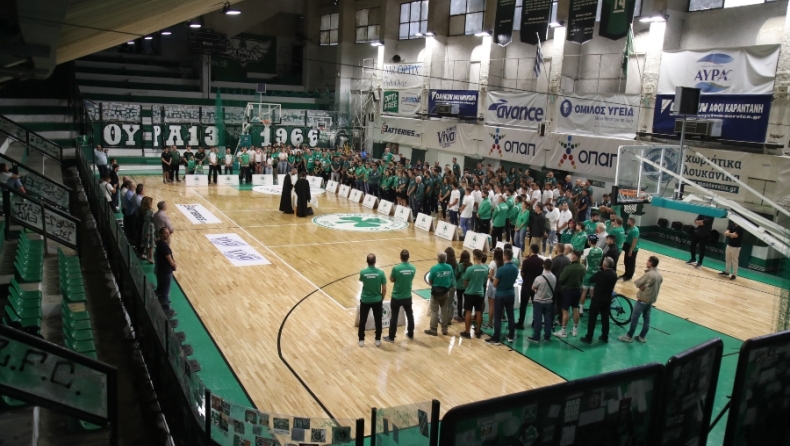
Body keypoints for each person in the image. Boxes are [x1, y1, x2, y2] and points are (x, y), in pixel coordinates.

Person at [620, 256, 663, 343]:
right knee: (646, 319)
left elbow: (637, 283)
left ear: (651, 263)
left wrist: (641, 286)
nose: (646, 262)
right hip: (650, 301)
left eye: (648, 261)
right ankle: (642, 337)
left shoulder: (649, 274)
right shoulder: (659, 276)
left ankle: (629, 336)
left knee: (634, 318)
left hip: (642, 300)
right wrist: (645, 286)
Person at [580, 257, 618, 344]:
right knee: (605, 319)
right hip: (607, 300)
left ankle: (589, 337)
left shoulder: (601, 274)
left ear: (604, 265)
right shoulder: (614, 274)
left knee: (592, 318)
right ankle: (605, 337)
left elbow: (592, 279)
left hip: (597, 300)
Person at [486, 249, 519, 345]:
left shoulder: (501, 269)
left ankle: (496, 338)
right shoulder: (515, 268)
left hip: (500, 295)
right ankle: (511, 336)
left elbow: (495, 284)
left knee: (497, 317)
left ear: (505, 256)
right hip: (511, 294)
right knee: (511, 315)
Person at [383, 250, 416, 343]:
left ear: (400, 257)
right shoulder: (413, 268)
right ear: (408, 257)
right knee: (410, 315)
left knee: (394, 316)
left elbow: (392, 279)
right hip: (407, 296)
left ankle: (391, 337)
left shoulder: (396, 268)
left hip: (396, 296)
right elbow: (411, 278)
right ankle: (410, 333)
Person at [358, 254, 387, 347]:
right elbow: (384, 288)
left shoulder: (363, 272)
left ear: (367, 261)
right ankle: (377, 339)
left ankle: (361, 340)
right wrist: (382, 298)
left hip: (365, 300)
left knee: (362, 320)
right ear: (375, 261)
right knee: (378, 320)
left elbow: (362, 281)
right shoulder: (381, 273)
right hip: (377, 300)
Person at [554, 250, 585, 338]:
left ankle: (563, 331)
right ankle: (575, 330)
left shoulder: (569, 267)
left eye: (572, 255)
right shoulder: (583, 267)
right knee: (575, 309)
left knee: (565, 310)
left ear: (574, 257)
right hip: (578, 290)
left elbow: (561, 279)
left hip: (568, 291)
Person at [425, 252, 455, 336]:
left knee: (434, 311)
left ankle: (433, 329)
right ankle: (444, 330)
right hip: (445, 292)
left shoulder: (434, 268)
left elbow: (430, 280)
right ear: (446, 259)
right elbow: (451, 278)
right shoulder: (449, 267)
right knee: (444, 311)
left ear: (438, 259)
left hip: (435, 293)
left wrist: (435, 285)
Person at [460, 249, 488, 339]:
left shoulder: (470, 269)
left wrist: (469, 286)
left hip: (470, 293)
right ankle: (478, 331)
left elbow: (465, 281)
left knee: (468, 312)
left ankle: (467, 332)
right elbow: (484, 281)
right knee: (479, 312)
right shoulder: (485, 269)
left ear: (474, 257)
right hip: (480, 293)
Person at [527, 258, 556, 343]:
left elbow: (533, 287)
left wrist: (536, 290)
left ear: (543, 266)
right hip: (549, 301)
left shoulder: (539, 278)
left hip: (538, 301)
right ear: (551, 266)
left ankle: (536, 337)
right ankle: (547, 337)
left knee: (538, 320)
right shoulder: (554, 277)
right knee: (548, 320)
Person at [516, 244, 545, 330]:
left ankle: (521, 323)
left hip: (526, 285)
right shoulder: (541, 261)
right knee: (536, 305)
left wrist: (525, 278)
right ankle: (535, 322)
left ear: (531, 250)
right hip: (537, 286)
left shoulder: (526, 261)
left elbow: (522, 273)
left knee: (523, 305)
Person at [579, 234, 603, 317]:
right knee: (592, 292)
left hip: (588, 273)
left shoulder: (587, 250)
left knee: (584, 291)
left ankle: (581, 310)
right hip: (596, 273)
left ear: (589, 241)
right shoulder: (600, 250)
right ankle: (593, 309)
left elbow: (582, 262)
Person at [155, 227, 176, 315]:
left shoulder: (159, 243)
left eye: (168, 233)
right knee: (165, 291)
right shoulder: (164, 246)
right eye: (165, 233)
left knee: (160, 288)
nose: (167, 234)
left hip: (160, 269)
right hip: (165, 271)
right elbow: (169, 260)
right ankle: (166, 309)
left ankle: (159, 302)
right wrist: (174, 265)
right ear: (160, 234)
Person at [484, 248, 503, 329]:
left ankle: (490, 324)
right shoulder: (503, 263)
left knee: (491, 306)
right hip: (500, 285)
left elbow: (490, 276)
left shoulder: (493, 263)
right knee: (498, 306)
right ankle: (497, 322)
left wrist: (486, 274)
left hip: (493, 285)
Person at [454, 250, 472, 322]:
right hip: (467, 286)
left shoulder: (459, 265)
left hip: (459, 286)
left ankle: (459, 315)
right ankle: (465, 314)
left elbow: (456, 275)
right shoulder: (471, 265)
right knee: (467, 300)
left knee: (460, 300)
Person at [139, 197, 156, 263]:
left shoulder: (143, 210)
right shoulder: (151, 211)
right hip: (150, 227)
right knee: (151, 243)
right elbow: (153, 219)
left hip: (145, 226)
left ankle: (145, 254)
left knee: (146, 241)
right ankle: (150, 258)